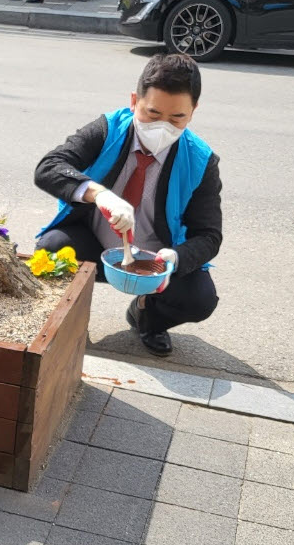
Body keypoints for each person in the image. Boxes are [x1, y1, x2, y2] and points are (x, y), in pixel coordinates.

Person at [33, 54, 222, 356]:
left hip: (155, 260)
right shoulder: (108, 130)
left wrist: (173, 259)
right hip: (95, 245)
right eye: (152, 113)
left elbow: (209, 235)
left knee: (199, 299)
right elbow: (49, 167)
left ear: (193, 112)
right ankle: (66, 322)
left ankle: (148, 316)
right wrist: (100, 194)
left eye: (176, 118)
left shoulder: (200, 161)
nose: (162, 127)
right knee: (53, 249)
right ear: (134, 101)